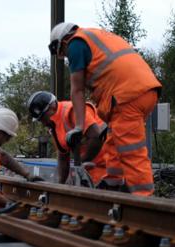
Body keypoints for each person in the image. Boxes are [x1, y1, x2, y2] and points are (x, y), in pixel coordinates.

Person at [48, 22, 162, 196]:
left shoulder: (75, 43)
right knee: (113, 143)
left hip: (126, 97)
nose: (66, 56)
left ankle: (145, 201)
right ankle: (113, 185)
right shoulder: (95, 36)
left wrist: (79, 127)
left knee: (132, 152)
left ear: (62, 42)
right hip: (145, 91)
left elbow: (77, 90)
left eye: (63, 53)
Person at [27, 91, 110, 186]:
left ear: (52, 107)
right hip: (92, 171)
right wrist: (59, 185)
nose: (43, 123)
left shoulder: (72, 111)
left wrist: (81, 163)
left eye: (42, 118)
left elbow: (96, 136)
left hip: (109, 166)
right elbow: (63, 158)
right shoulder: (54, 125)